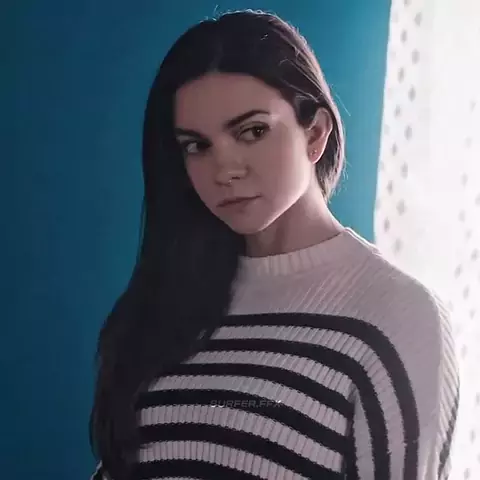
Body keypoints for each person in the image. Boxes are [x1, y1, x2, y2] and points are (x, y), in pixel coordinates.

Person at [89, 9, 459, 480]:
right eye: (196, 145)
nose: (225, 170)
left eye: (252, 131)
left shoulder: (396, 315)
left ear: (316, 133)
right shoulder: (168, 305)